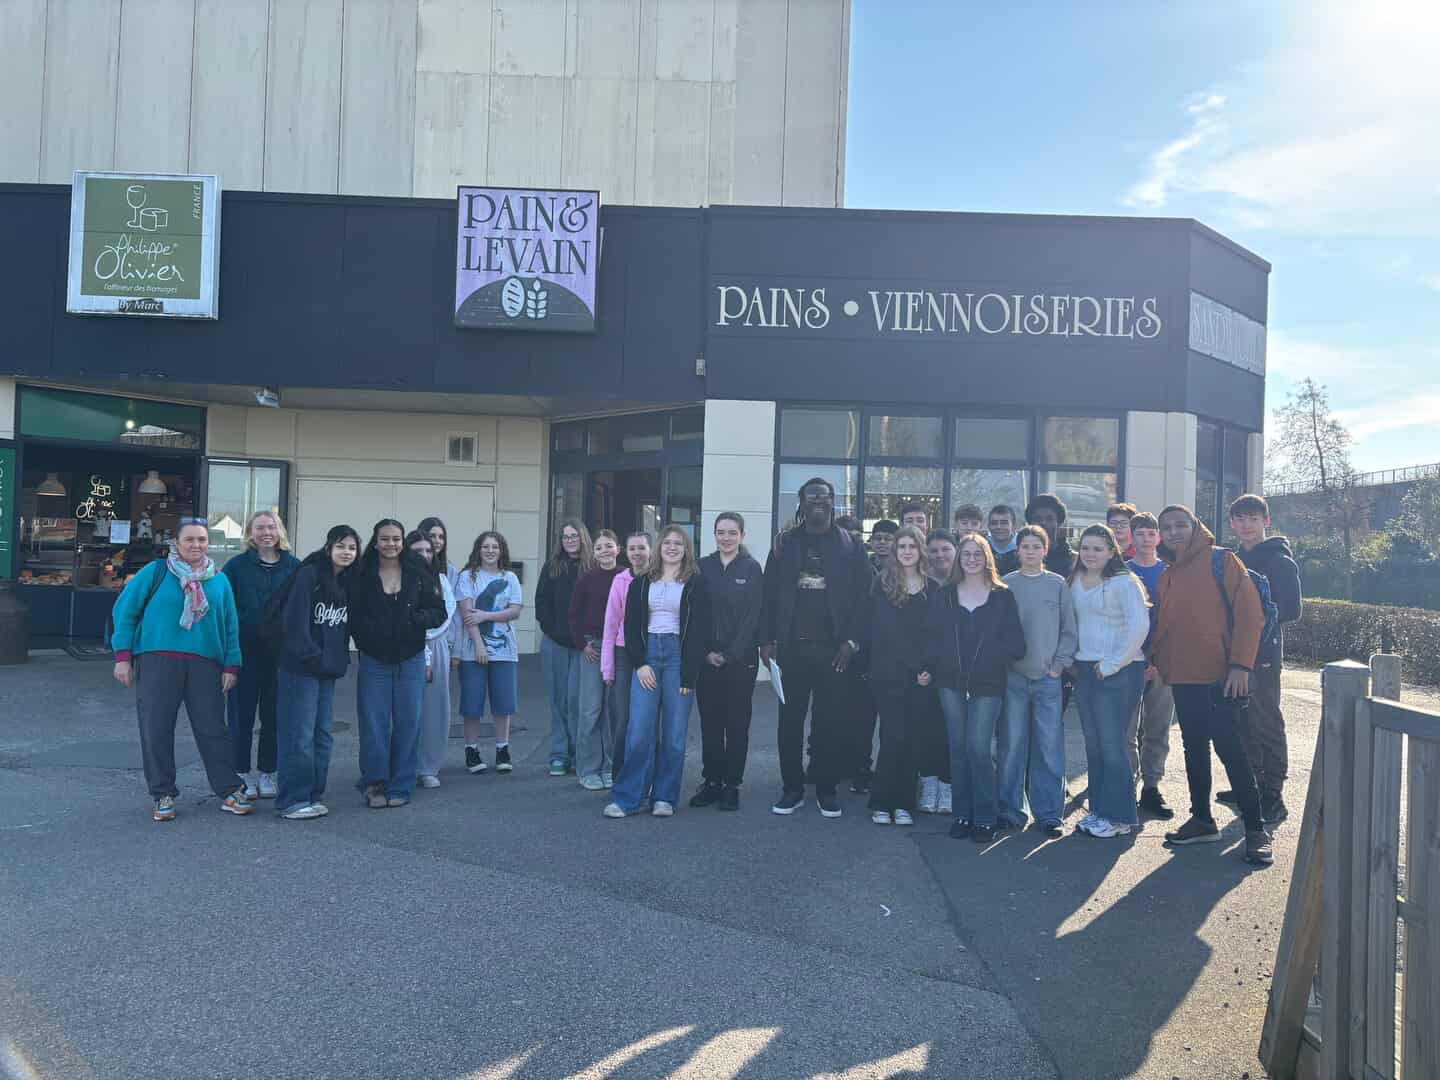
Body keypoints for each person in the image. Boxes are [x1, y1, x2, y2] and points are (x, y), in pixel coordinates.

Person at [1152, 504, 1272, 865]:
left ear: (1195, 526)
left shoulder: (1223, 560)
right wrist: (1159, 662)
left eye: (1180, 525)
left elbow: (1251, 615)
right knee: (1193, 747)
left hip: (1222, 676)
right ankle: (1202, 819)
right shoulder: (1168, 574)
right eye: (1166, 527)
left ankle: (1256, 829)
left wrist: (1241, 666)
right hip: (1183, 676)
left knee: (1231, 749)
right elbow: (1165, 625)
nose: (1173, 532)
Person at [110, 518, 249, 822]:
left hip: (206, 663)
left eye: (202, 540)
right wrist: (122, 657)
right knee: (156, 728)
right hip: (157, 661)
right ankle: (162, 794)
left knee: (213, 729)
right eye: (190, 539)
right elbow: (125, 611)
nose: (196, 545)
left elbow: (230, 626)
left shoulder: (219, 581)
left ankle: (229, 789)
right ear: (176, 543)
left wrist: (231, 665)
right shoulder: (156, 572)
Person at [760, 478, 871, 819]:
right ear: (802, 503)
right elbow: (768, 594)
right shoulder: (784, 543)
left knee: (829, 722)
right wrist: (766, 640)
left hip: (834, 651)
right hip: (791, 649)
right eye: (812, 497)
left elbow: (864, 599)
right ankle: (792, 788)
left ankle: (826, 788)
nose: (819, 501)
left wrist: (852, 641)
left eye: (825, 496)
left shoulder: (851, 545)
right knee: (789, 722)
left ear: (833, 502)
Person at [604, 526, 712, 818]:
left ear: (686, 549)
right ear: (659, 548)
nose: (672, 547)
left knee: (674, 735)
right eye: (667, 543)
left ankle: (664, 797)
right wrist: (640, 664)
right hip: (648, 656)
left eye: (679, 543)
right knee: (639, 731)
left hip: (679, 659)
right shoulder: (641, 582)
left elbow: (700, 630)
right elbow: (630, 626)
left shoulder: (696, 583)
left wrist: (689, 673)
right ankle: (629, 798)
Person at [925, 533, 1026, 842]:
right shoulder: (944, 595)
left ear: (987, 558)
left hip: (987, 684)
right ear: (959, 558)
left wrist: (990, 659)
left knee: (979, 749)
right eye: (966, 553)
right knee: (958, 748)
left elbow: (1016, 644)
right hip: (950, 683)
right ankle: (962, 814)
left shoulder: (1002, 596)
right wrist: (935, 665)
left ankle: (985, 817)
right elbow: (931, 637)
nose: (971, 559)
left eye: (977, 554)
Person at [349, 519, 447, 809]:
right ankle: (375, 783)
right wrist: (368, 636)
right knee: (374, 724)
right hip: (374, 660)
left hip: (411, 659)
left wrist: (414, 621)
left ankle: (402, 784)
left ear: (403, 541)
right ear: (375, 541)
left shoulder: (418, 570)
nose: (390, 544)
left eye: (396, 539)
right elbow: (353, 614)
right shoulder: (362, 572)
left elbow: (438, 612)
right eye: (385, 539)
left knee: (408, 723)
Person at [1068, 525, 1151, 838]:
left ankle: (1121, 817)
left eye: (1098, 549)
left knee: (1112, 745)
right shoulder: (1075, 580)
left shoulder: (1124, 582)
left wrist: (1112, 664)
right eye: (1085, 548)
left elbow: (1139, 626)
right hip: (1086, 670)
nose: (1090, 554)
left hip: (1119, 672)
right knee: (1094, 746)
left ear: (1111, 551)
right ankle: (1100, 811)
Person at [273, 524, 359, 820]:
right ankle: (292, 800)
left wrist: (335, 661)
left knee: (322, 734)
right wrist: (314, 657)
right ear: (328, 547)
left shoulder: (346, 582)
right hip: (300, 668)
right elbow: (294, 624)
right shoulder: (309, 575)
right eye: (341, 546)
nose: (346, 552)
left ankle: (312, 794)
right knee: (299, 734)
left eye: (352, 547)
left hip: (326, 671)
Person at [1227, 493, 1302, 824]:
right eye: (1240, 519)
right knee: (1240, 720)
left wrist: (1253, 619)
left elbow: (1291, 609)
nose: (1247, 525)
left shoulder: (1279, 561)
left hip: (1264, 654)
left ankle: (1273, 792)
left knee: (1265, 720)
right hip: (1232, 653)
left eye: (1253, 519)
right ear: (1232, 524)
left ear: (1266, 521)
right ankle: (1252, 783)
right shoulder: (1232, 560)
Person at [998, 525, 1077, 837]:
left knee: (1048, 745)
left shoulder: (1057, 584)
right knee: (1012, 745)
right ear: (1017, 551)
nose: (1030, 551)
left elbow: (1069, 630)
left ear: (1045, 550)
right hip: (1014, 678)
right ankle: (1011, 810)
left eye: (1036, 546)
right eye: (1025, 546)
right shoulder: (1006, 584)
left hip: (1047, 678)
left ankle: (1049, 814)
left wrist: (1058, 666)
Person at [858, 525, 937, 826]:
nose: (906, 551)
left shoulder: (933, 588)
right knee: (893, 737)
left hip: (920, 677)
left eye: (912, 546)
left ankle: (903, 803)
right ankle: (881, 802)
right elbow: (885, 631)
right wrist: (915, 666)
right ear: (895, 551)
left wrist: (927, 669)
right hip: (888, 673)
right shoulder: (882, 583)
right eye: (901, 546)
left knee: (912, 739)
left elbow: (935, 634)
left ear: (921, 550)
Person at [221, 510, 300, 799]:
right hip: (244, 654)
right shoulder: (236, 567)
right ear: (250, 534)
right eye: (260, 528)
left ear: (280, 531)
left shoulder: (294, 567)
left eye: (271, 527)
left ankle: (269, 772)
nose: (266, 532)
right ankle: (240, 772)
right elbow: (224, 609)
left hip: (280, 657)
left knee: (274, 716)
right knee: (240, 717)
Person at [690, 513, 764, 811]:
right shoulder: (701, 566)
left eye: (732, 532)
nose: (726, 538)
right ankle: (712, 782)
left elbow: (752, 616)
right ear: (714, 535)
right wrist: (705, 652)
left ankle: (732, 785)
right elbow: (695, 613)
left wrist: (732, 654)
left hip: (741, 661)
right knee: (710, 724)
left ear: (742, 535)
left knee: (736, 725)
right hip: (707, 660)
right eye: (721, 532)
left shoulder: (751, 568)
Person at [453, 531, 523, 775]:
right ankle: (471, 750)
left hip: (505, 651)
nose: (490, 551)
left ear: (501, 550)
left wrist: (486, 616)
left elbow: (515, 611)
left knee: (503, 704)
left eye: (495, 546)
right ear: (478, 549)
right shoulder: (467, 576)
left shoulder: (510, 577)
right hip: (473, 651)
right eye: (485, 546)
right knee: (472, 704)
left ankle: (503, 749)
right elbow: (467, 614)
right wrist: (479, 645)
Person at [1125, 512, 1176, 819]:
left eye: (1150, 533)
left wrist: (1157, 661)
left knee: (1157, 727)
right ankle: (1126, 785)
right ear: (1132, 538)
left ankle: (1152, 786)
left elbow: (1177, 621)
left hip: (1163, 663)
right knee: (1126, 730)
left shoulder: (1170, 573)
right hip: (1128, 662)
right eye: (1140, 533)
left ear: (1158, 538)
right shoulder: (1121, 572)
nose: (1146, 539)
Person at [536, 520, 593, 776]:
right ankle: (559, 754)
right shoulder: (552, 567)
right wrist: (555, 631)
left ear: (583, 537)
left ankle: (581, 753)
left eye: (574, 536)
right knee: (558, 701)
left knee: (579, 702)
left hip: (585, 646)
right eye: (565, 537)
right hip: (555, 644)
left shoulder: (592, 568)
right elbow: (541, 604)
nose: (569, 540)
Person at [569, 529, 624, 790]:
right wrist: (583, 645)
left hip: (618, 648)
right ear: (594, 552)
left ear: (618, 549)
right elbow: (574, 615)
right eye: (599, 547)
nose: (604, 551)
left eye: (609, 546)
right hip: (593, 647)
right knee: (591, 710)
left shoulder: (626, 577)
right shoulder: (587, 579)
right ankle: (588, 769)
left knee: (614, 711)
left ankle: (611, 767)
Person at [409, 530, 457, 789]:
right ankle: (404, 765)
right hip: (406, 646)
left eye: (429, 551)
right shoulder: (398, 577)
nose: (425, 555)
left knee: (434, 709)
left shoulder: (441, 580)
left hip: (436, 646)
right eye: (418, 550)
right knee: (406, 710)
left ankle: (428, 767)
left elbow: (446, 614)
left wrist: (427, 638)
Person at [916, 528, 960, 814]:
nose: (939, 555)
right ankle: (928, 782)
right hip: (924, 670)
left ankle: (948, 784)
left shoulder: (965, 583)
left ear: (956, 551)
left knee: (951, 730)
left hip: (956, 670)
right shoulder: (920, 584)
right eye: (933, 550)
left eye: (945, 549)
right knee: (927, 728)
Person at [602, 531, 651, 778]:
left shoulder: (659, 578)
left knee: (647, 718)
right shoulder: (620, 581)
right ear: (626, 552)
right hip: (623, 653)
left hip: (651, 651)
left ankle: (646, 773)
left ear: (651, 550)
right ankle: (619, 773)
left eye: (641, 548)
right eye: (632, 548)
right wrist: (607, 666)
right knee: (622, 717)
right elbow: (610, 625)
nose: (637, 553)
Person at [998, 494, 1073, 578]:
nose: (1043, 523)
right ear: (1030, 523)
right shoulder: (1012, 560)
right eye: (1037, 519)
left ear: (1058, 523)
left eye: (1049, 519)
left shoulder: (1072, 561)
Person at [417, 516, 459, 585]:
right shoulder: (409, 564)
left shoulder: (450, 569)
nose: (437, 541)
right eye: (432, 536)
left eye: (441, 537)